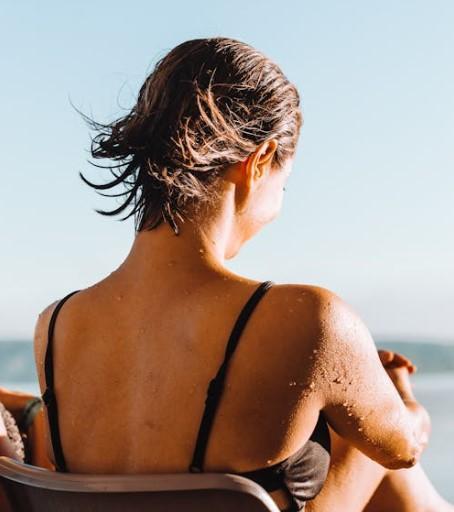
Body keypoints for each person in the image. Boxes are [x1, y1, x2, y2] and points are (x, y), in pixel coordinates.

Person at [1, 37, 452, 512]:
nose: (278, 206)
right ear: (258, 161)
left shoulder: (54, 326)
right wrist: (403, 401)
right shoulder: (308, 318)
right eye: (285, 184)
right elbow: (402, 450)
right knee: (371, 448)